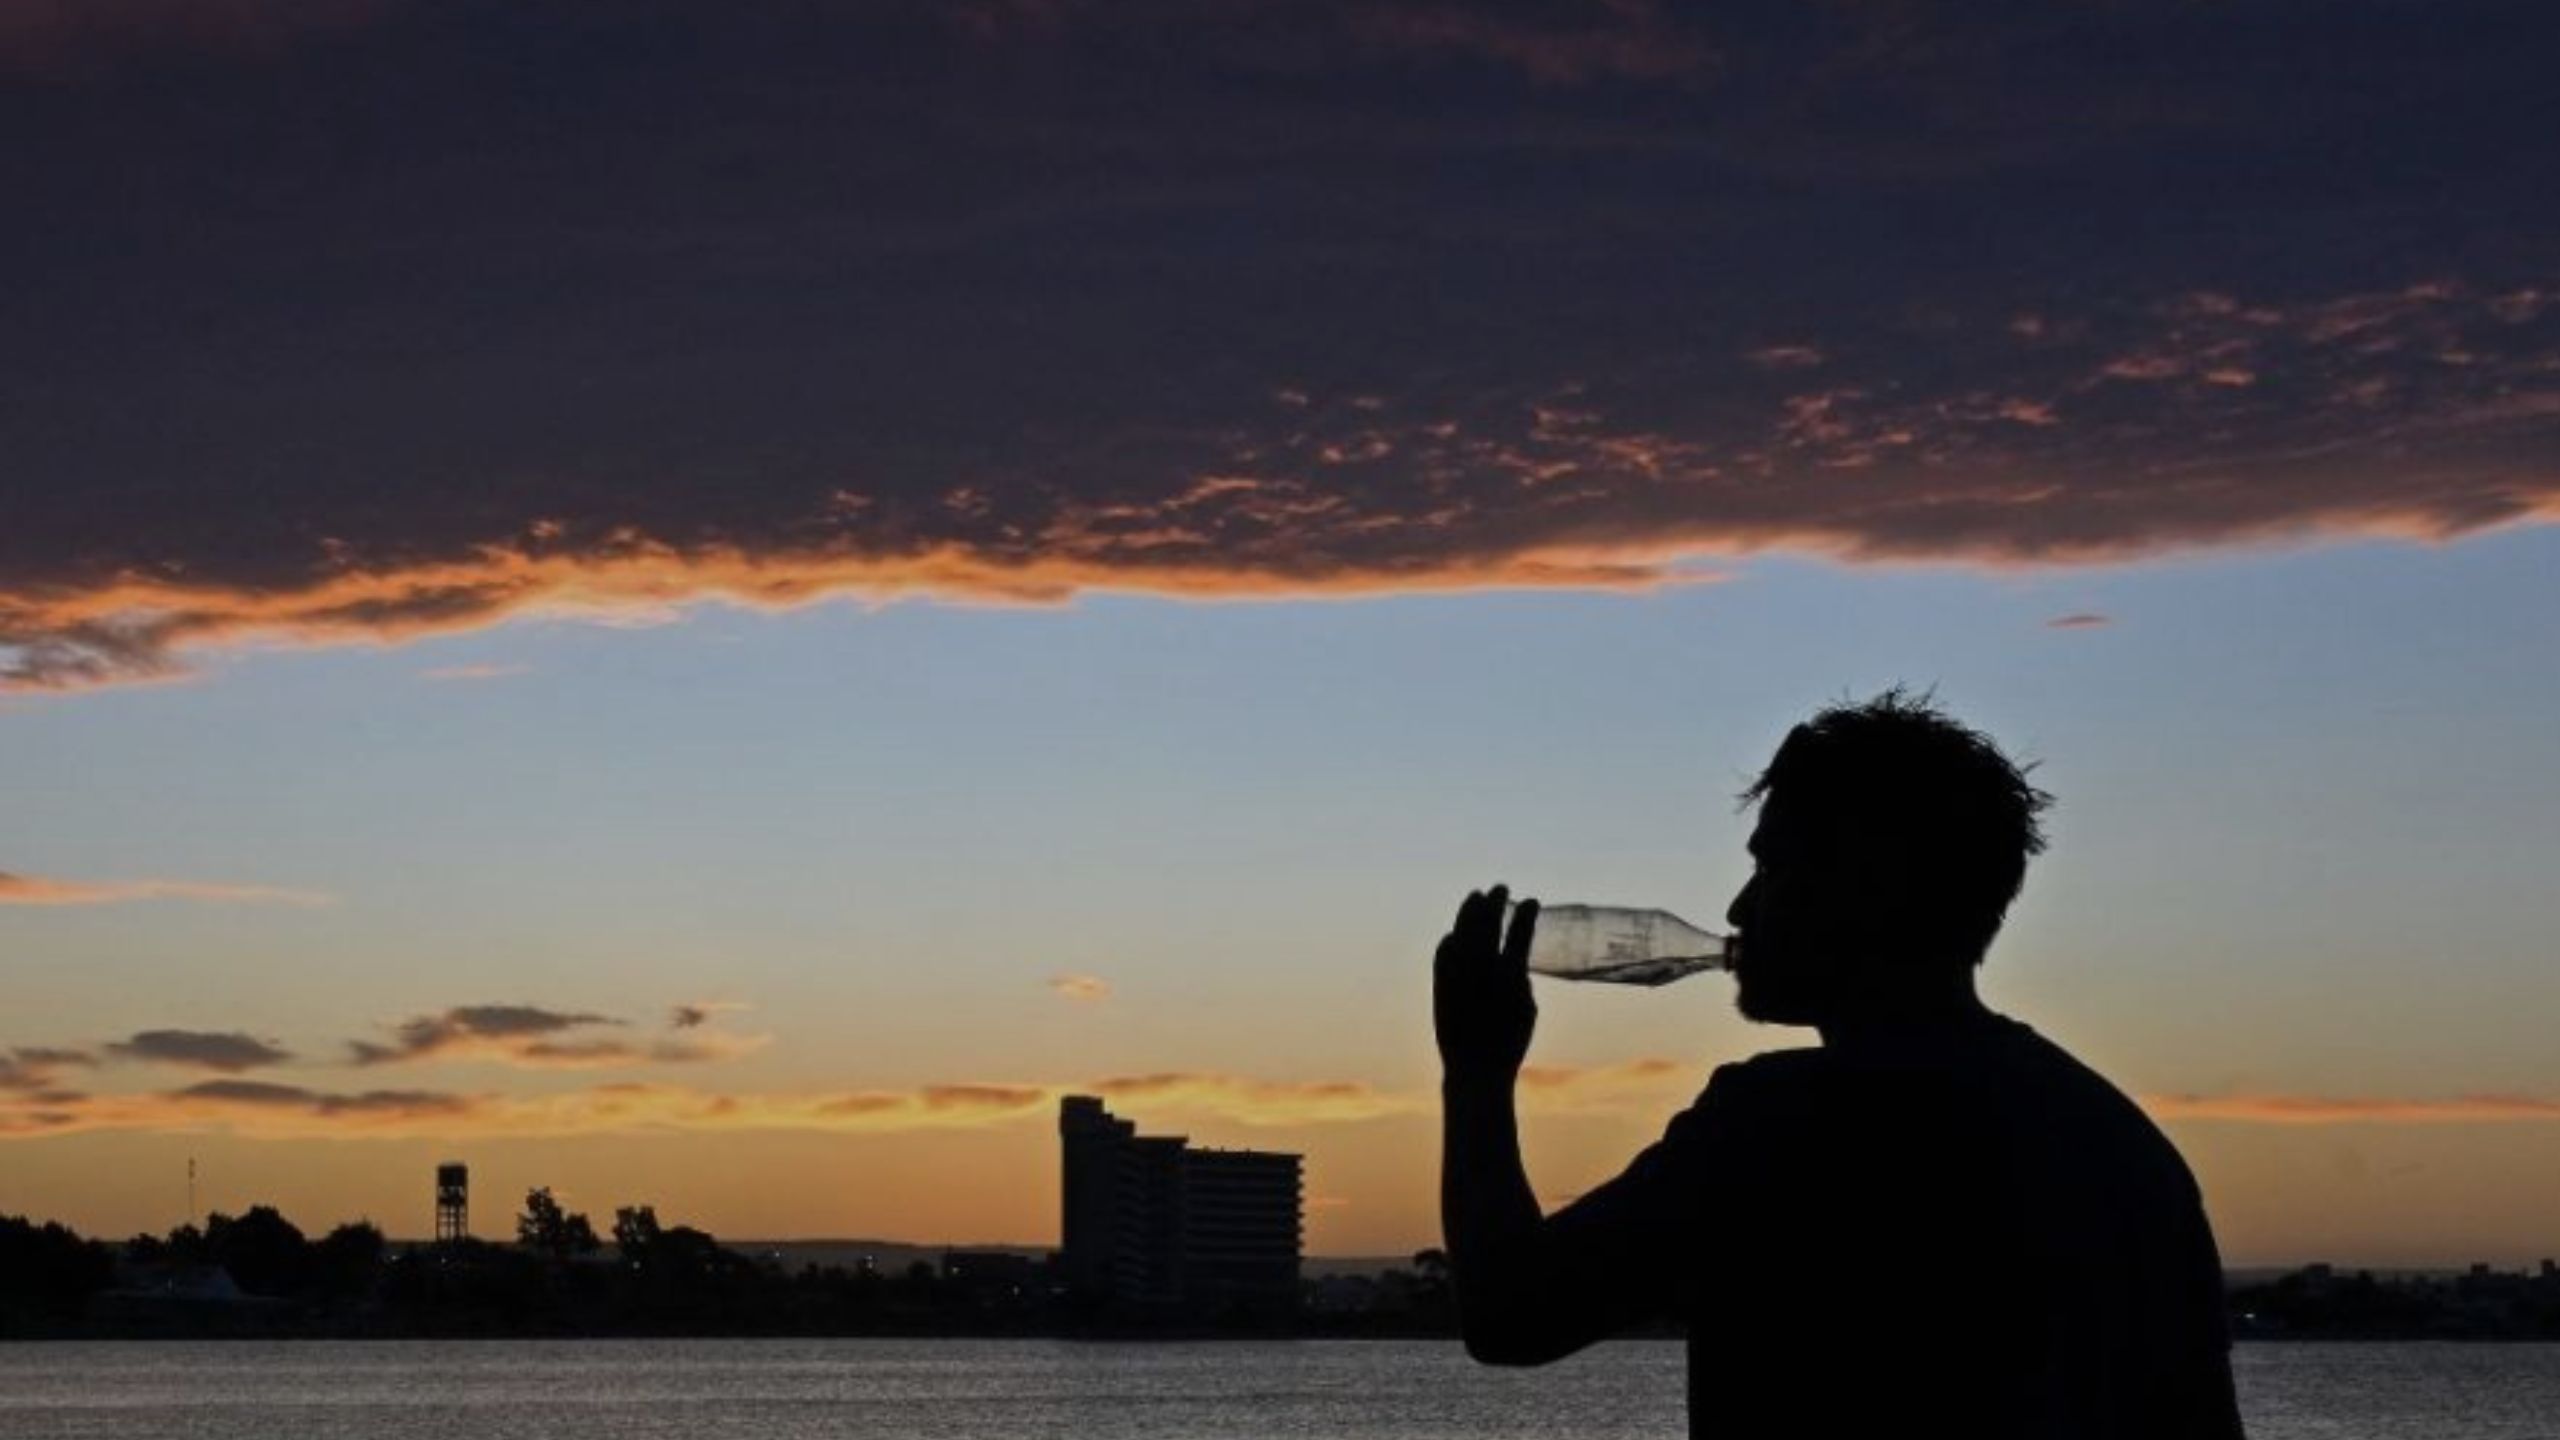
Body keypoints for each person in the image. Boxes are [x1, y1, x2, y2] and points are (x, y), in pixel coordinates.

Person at [1435, 690, 2246, 1438]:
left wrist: (1477, 1073)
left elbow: (1512, 1314)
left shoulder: (1783, 1125)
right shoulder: (2121, 1149)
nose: (1740, 909)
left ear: (1868, 884)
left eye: (1773, 866)